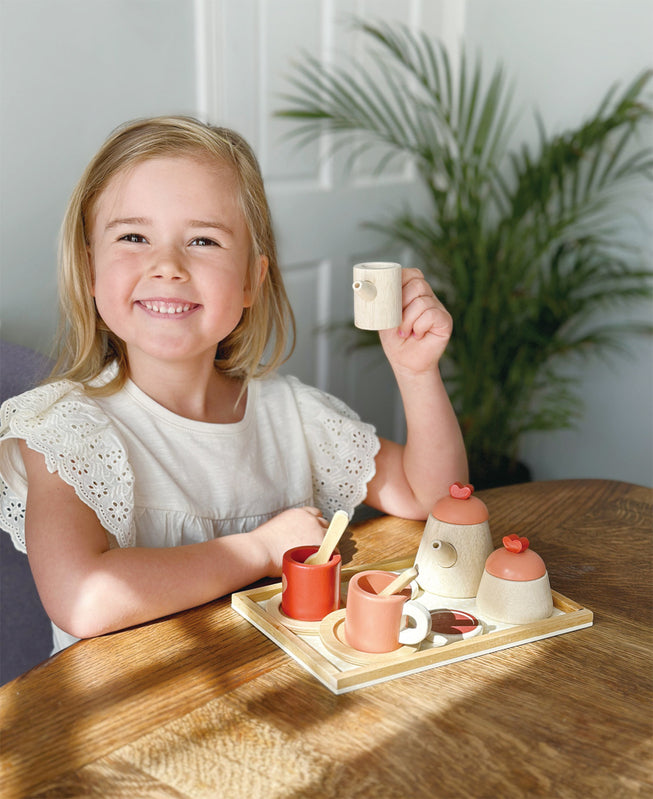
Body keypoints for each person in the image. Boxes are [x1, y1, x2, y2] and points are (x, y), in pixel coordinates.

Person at [0, 116, 467, 654]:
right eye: (133, 236)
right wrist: (260, 549)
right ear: (89, 270)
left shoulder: (294, 417)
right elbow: (82, 598)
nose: (167, 265)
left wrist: (416, 372)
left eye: (202, 240)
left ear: (251, 280)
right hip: (129, 723)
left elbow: (434, 498)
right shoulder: (63, 431)